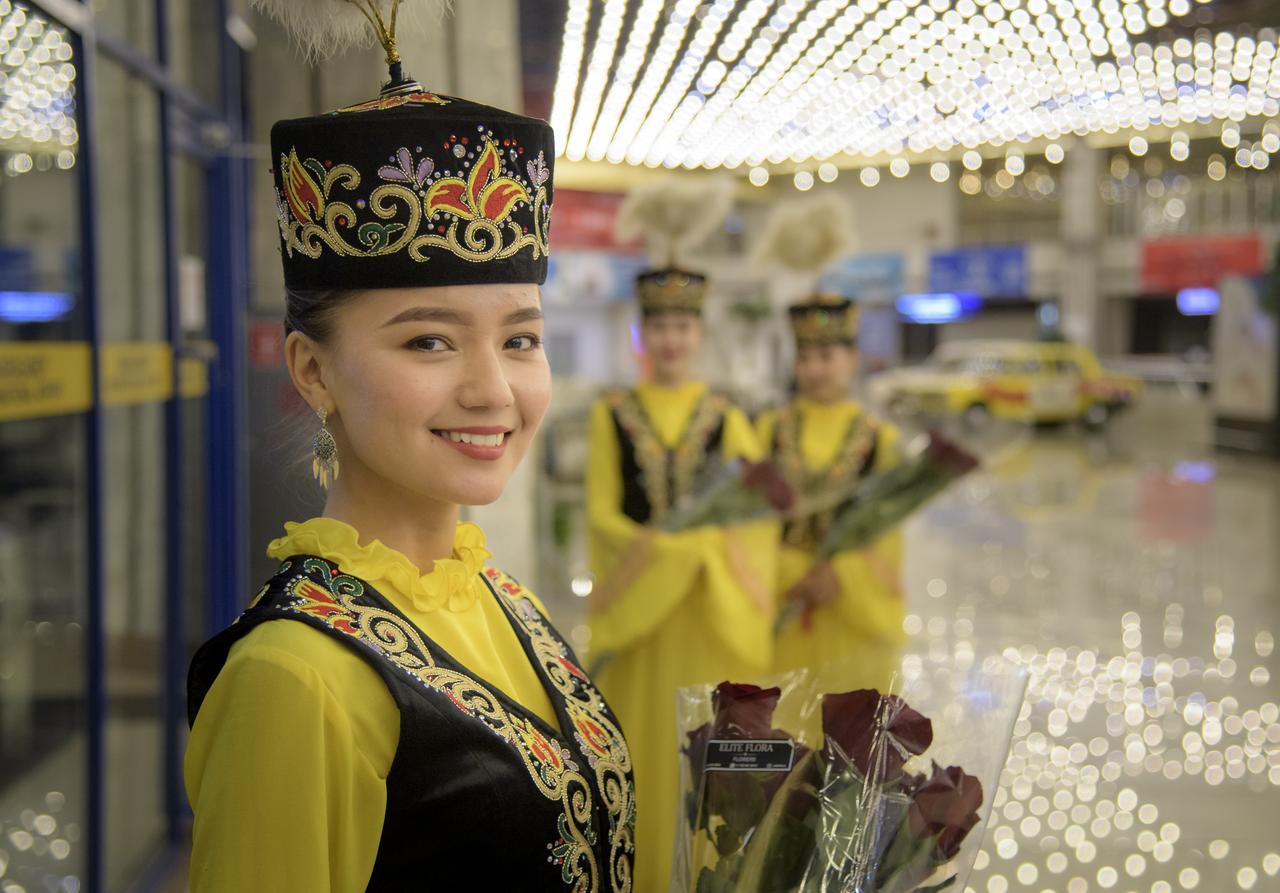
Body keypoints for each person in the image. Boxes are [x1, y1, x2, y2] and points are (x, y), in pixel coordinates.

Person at [183, 9, 633, 890]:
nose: (493, 391)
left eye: (520, 340)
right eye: (429, 341)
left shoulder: (499, 595)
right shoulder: (295, 677)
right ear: (313, 370)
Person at [585, 267, 777, 893]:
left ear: (699, 333)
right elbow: (602, 515)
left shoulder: (727, 417)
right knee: (643, 753)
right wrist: (674, 553)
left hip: (708, 615)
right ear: (642, 332)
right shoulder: (611, 415)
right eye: (660, 326)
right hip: (643, 622)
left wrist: (703, 552)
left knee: (707, 758)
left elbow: (755, 518)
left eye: (683, 326)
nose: (671, 339)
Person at [755, 297, 905, 692]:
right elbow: (752, 520)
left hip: (855, 612)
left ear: (852, 358)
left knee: (854, 733)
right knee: (783, 729)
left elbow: (888, 533)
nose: (815, 369)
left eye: (826, 356)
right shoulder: (768, 431)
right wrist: (791, 571)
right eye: (805, 358)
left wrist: (841, 575)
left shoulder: (880, 438)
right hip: (786, 602)